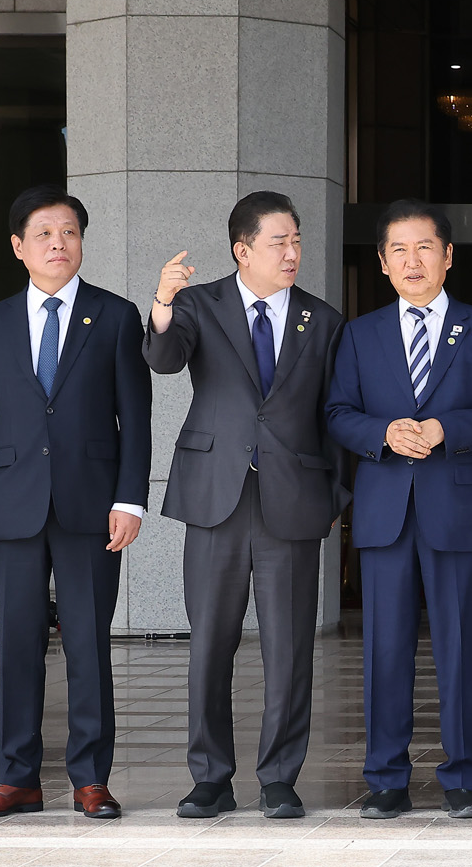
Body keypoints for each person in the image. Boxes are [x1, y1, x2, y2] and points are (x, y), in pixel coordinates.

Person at [145, 192, 348, 820]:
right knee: (210, 643)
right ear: (243, 250)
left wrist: (334, 496)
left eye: (296, 242)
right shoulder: (199, 303)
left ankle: (280, 777)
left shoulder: (324, 318)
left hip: (292, 499)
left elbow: (334, 415)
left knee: (290, 649)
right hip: (216, 497)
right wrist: (160, 303)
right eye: (278, 243)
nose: (292, 253)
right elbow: (163, 359)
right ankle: (210, 777)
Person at [326, 199, 472, 820]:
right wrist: (382, 433)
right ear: (383, 262)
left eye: (425, 248)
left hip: (457, 510)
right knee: (384, 650)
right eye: (399, 251)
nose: (413, 261)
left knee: (459, 649)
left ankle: (463, 777)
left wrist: (446, 428)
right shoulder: (359, 334)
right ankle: (387, 777)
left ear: (448, 256)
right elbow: (336, 414)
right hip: (386, 510)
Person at [0, 184, 147, 820]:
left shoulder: (115, 317)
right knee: (17, 642)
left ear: (82, 244)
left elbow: (136, 421)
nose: (58, 243)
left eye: (69, 232)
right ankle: (17, 780)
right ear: (18, 247)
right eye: (44, 233)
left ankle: (91, 779)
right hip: (11, 507)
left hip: (92, 506)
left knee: (89, 642)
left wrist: (131, 500)